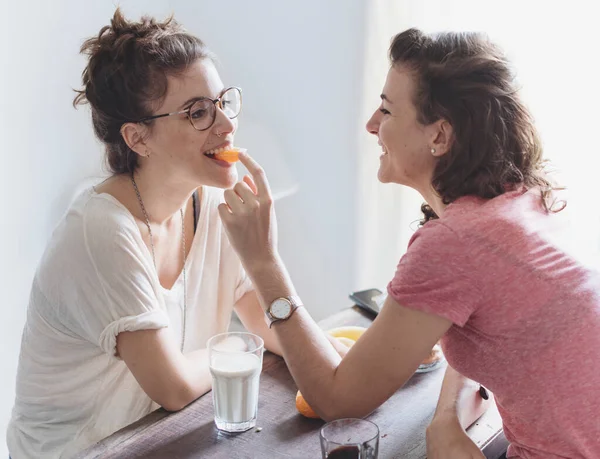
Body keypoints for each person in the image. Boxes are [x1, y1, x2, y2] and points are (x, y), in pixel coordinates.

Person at [218, 29, 600, 458]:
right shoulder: (525, 199)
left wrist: (262, 260)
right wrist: (444, 421)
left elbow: (336, 401)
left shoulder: (456, 243)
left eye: (386, 109)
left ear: (439, 135)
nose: (371, 125)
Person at [6, 9, 297, 458]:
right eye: (198, 112)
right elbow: (174, 386)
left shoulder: (218, 203)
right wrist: (246, 345)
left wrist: (335, 355)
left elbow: (275, 328)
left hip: (162, 440)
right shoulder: (101, 229)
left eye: (223, 102)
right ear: (138, 139)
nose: (226, 125)